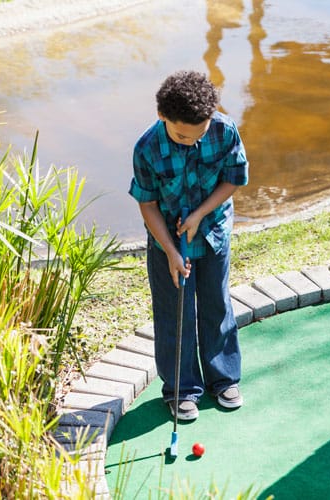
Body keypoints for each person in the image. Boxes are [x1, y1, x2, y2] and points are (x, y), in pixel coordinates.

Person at [129, 70, 249, 420]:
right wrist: (170, 251)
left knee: (216, 303)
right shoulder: (147, 148)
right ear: (163, 116)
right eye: (181, 135)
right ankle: (181, 389)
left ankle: (223, 378)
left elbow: (232, 180)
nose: (187, 142)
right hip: (166, 239)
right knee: (175, 313)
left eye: (196, 136)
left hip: (212, 231)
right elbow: (147, 203)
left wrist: (198, 215)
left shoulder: (224, 131)